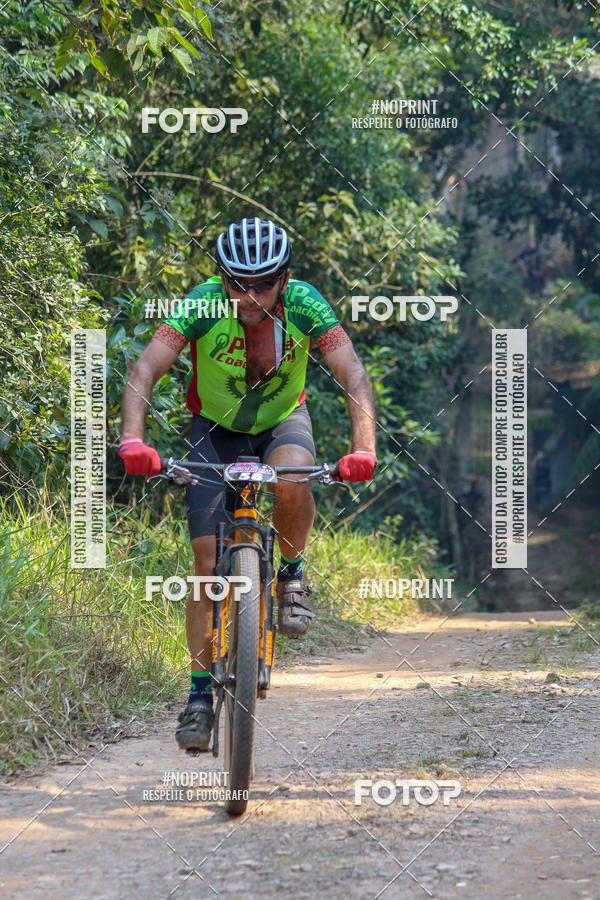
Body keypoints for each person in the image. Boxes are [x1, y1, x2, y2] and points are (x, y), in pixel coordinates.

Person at [119, 216, 376, 751]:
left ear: (285, 279)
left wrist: (364, 449)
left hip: (283, 422)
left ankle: (292, 575)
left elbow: (353, 373)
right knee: (205, 563)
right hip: (213, 431)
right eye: (238, 283)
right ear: (222, 279)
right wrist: (133, 442)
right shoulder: (202, 304)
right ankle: (197, 696)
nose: (250, 296)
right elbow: (144, 370)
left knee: (293, 479)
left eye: (263, 284)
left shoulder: (305, 305)